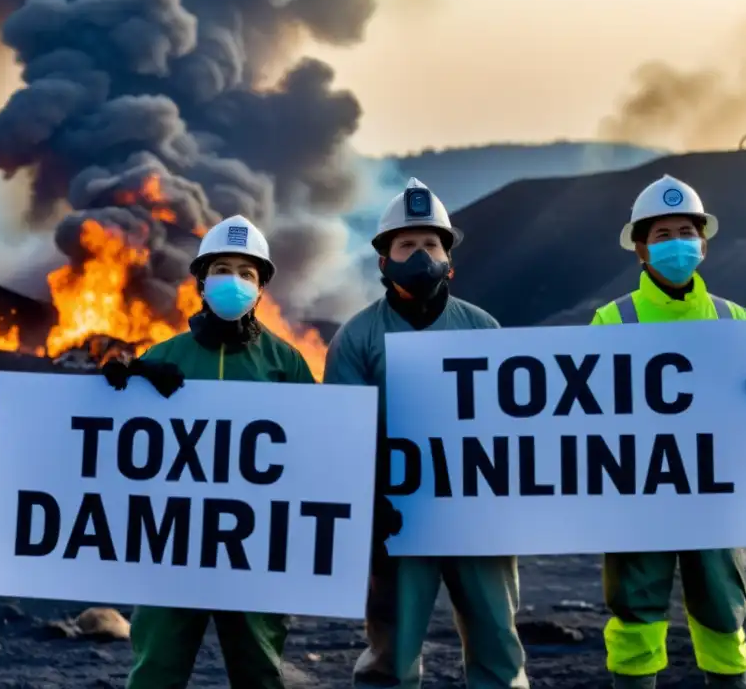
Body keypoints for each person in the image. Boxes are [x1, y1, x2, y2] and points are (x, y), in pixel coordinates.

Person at [324, 177, 529, 689]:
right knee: (390, 657)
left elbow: (515, 429)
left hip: (475, 517)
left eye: (431, 244)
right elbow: (342, 433)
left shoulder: (483, 329)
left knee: (496, 646)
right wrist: (372, 506)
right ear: (384, 260)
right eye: (407, 245)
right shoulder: (357, 337)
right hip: (397, 523)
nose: (421, 254)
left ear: (449, 257)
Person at [101, 214, 315, 689]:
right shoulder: (163, 358)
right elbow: (112, 451)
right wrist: (119, 383)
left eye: (247, 273)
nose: (234, 282)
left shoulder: (287, 364)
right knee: (155, 669)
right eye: (222, 270)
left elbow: (315, 453)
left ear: (261, 290)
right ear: (200, 281)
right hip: (173, 545)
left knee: (259, 669)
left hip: (254, 545)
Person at [590, 174, 746, 689]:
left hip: (710, 497)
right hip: (640, 496)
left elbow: (742, 421)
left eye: (686, 231)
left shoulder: (734, 318)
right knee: (636, 620)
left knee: (722, 616)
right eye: (662, 235)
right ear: (640, 249)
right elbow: (587, 414)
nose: (677, 244)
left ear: (703, 241)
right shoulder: (612, 321)